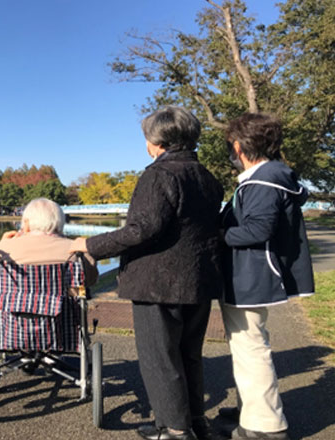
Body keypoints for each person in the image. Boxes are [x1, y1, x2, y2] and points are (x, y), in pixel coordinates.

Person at [71, 106, 224, 440]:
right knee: (189, 355)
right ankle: (196, 421)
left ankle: (175, 429)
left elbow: (144, 228)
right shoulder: (207, 177)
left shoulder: (159, 174)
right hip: (198, 277)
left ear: (158, 140)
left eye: (146, 137)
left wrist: (90, 244)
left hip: (159, 282)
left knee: (160, 358)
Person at [219, 113, 314, 440]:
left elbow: (257, 230)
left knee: (251, 348)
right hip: (254, 275)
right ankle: (253, 406)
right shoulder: (272, 176)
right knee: (249, 346)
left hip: (251, 276)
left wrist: (216, 235)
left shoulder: (261, 182)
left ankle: (264, 425)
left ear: (239, 146)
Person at [0, 197, 98, 287]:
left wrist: (1, 244)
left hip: (12, 309)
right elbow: (90, 281)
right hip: (63, 310)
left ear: (26, 224)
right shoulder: (76, 249)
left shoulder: (2, 248)